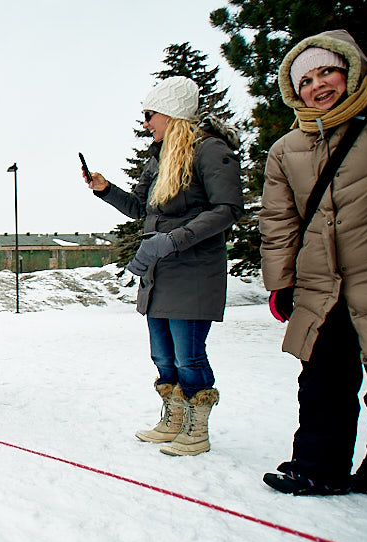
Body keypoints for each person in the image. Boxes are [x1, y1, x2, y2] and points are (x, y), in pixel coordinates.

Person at [258, 30, 367, 496]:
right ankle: (317, 466)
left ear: (351, 69)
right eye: (306, 80)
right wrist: (281, 283)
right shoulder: (286, 149)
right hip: (320, 283)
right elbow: (279, 221)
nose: (318, 85)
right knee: (322, 380)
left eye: (327, 71)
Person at [85, 76, 244, 456]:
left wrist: (174, 239)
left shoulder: (209, 151)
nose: (145, 124)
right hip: (159, 270)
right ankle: (174, 419)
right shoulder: (158, 159)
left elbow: (227, 209)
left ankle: (196, 428)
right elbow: (140, 209)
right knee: (162, 355)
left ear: (171, 114)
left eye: (150, 115)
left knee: (189, 356)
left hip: (193, 270)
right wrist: (105, 189)